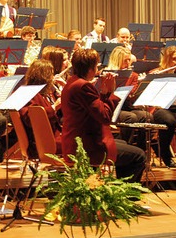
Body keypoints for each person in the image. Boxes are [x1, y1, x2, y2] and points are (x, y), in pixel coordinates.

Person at [61, 48, 145, 183]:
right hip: (86, 145)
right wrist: (112, 93)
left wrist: (105, 93)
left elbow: (96, 110)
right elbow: (105, 117)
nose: (97, 69)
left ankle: (118, 192)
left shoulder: (73, 81)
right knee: (139, 156)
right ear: (90, 68)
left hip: (78, 139)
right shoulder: (83, 86)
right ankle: (126, 198)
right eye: (96, 65)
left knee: (123, 144)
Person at [19, 59, 62, 159]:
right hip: (42, 141)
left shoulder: (47, 93)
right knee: (79, 142)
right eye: (51, 74)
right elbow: (32, 119)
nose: (53, 78)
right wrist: (54, 107)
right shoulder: (27, 94)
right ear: (44, 77)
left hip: (53, 135)